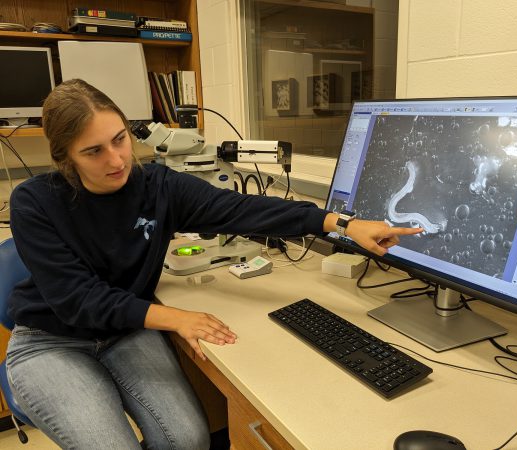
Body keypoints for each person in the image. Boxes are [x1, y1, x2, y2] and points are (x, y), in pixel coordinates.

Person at [6, 79, 422, 449]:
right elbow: (78, 300)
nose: (116, 160)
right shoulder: (35, 202)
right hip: (51, 341)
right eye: (94, 151)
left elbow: (246, 209)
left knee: (187, 439)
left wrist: (342, 224)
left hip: (126, 332)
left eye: (119, 139)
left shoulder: (158, 187)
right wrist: (174, 318)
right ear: (66, 157)